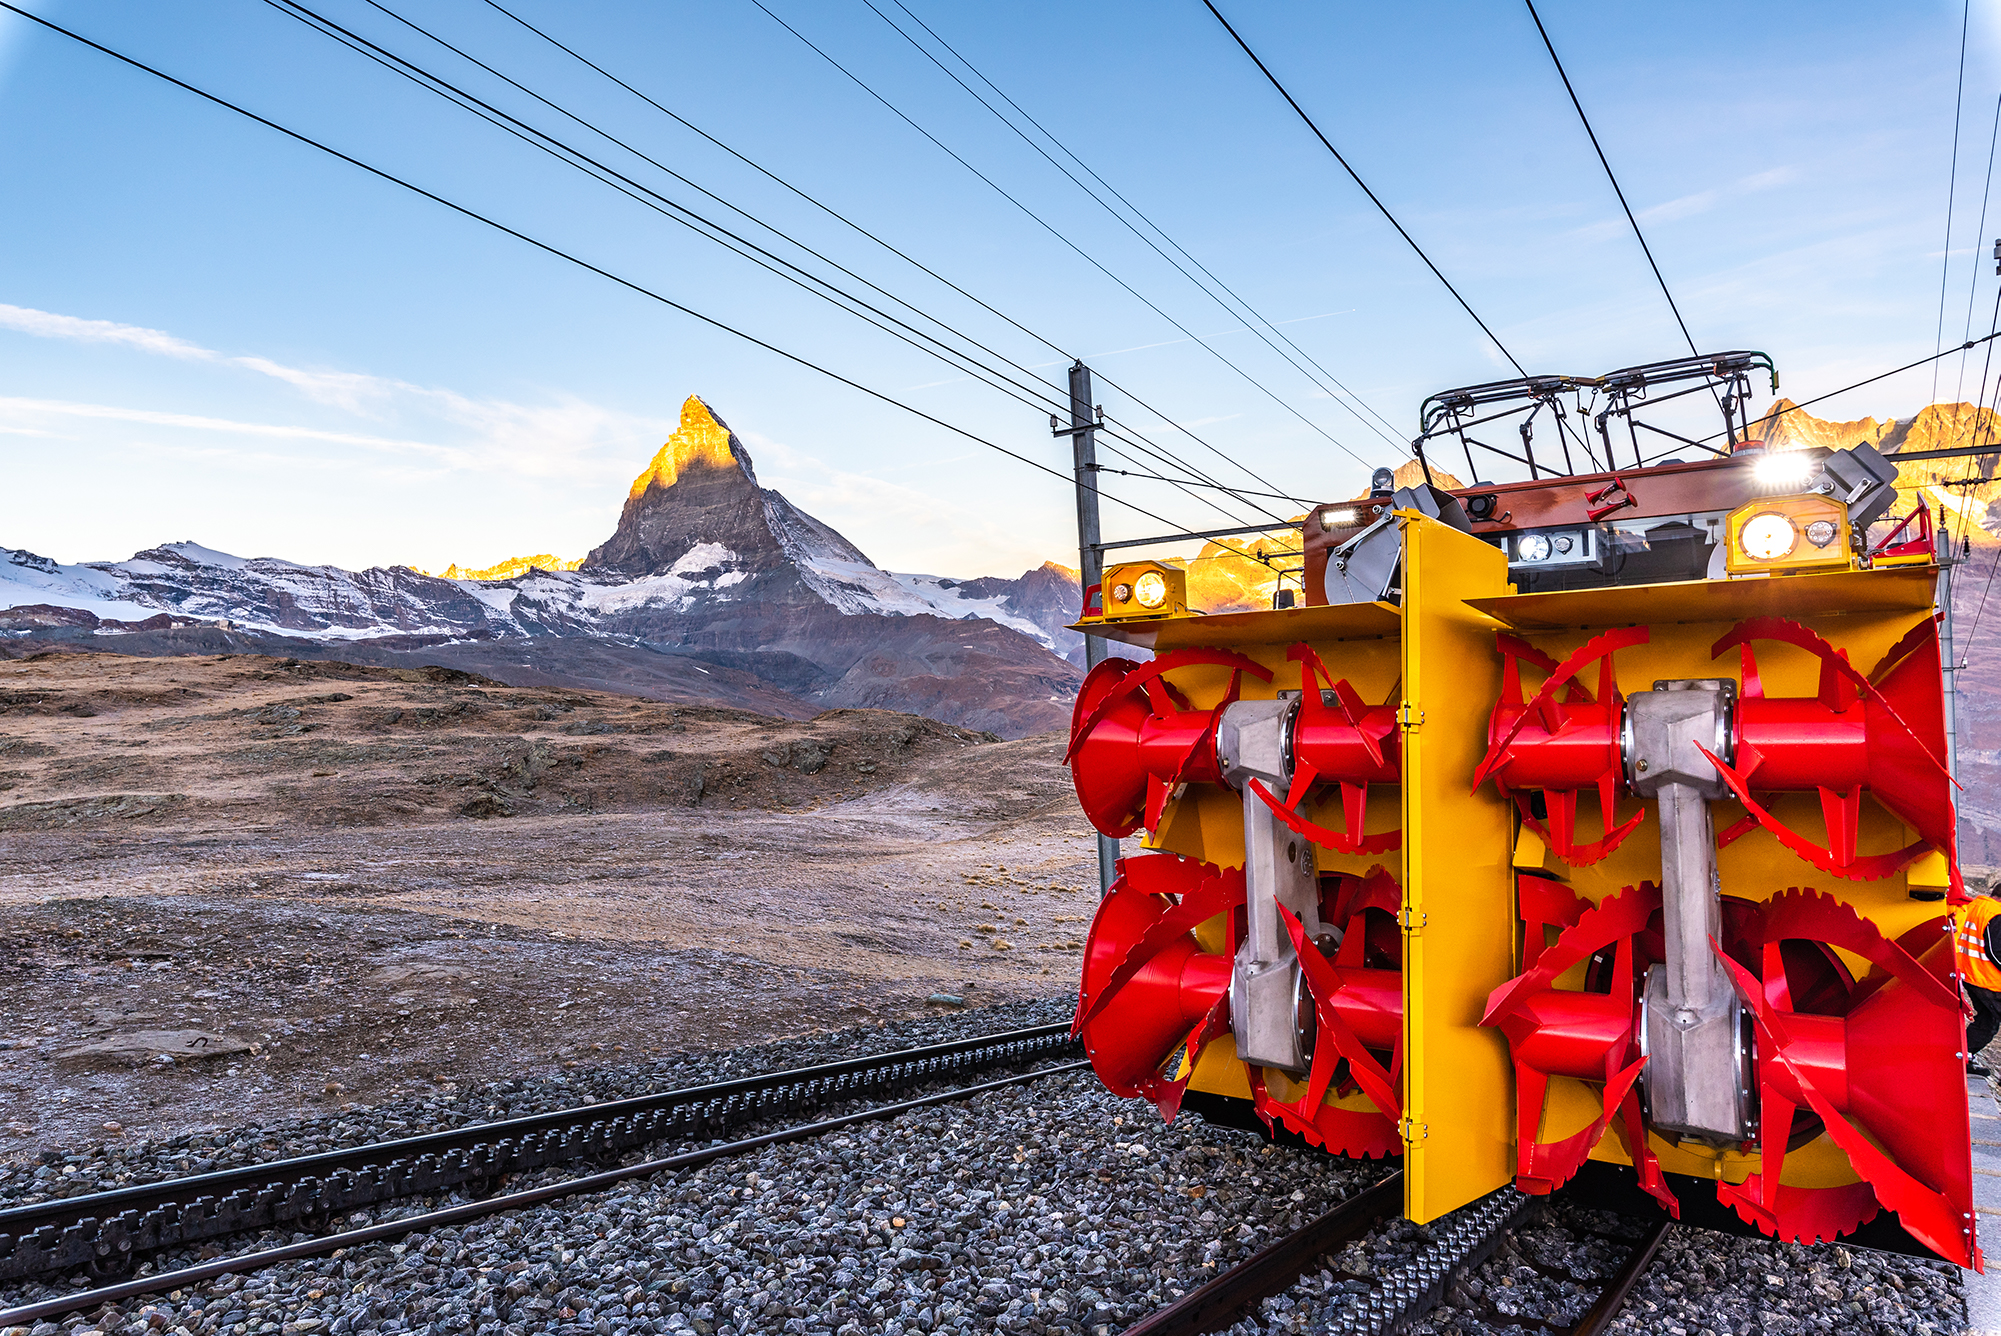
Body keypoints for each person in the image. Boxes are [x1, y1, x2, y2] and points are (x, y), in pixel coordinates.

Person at [1952, 884, 2001, 1077]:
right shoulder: (1995, 914)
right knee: (1987, 1023)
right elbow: (1996, 951)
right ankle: (1960, 1057)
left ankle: (1963, 1057)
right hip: (1988, 979)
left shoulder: (1972, 907)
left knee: (1986, 1022)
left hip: (1970, 974)